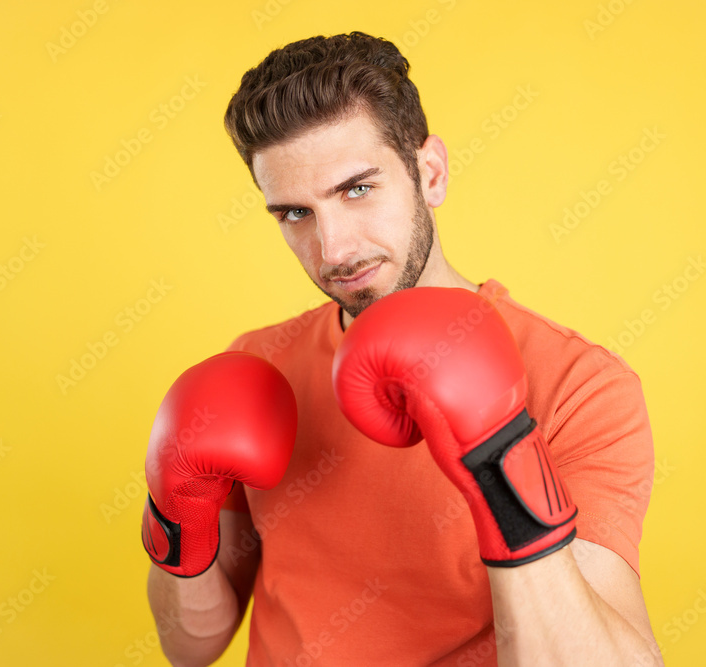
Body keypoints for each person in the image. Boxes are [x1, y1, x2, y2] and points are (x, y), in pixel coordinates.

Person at [142, 32, 662, 666]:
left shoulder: (579, 386)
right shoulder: (259, 364)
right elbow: (189, 648)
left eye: (357, 189)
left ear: (430, 172)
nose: (332, 249)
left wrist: (500, 457)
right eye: (294, 214)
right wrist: (175, 515)